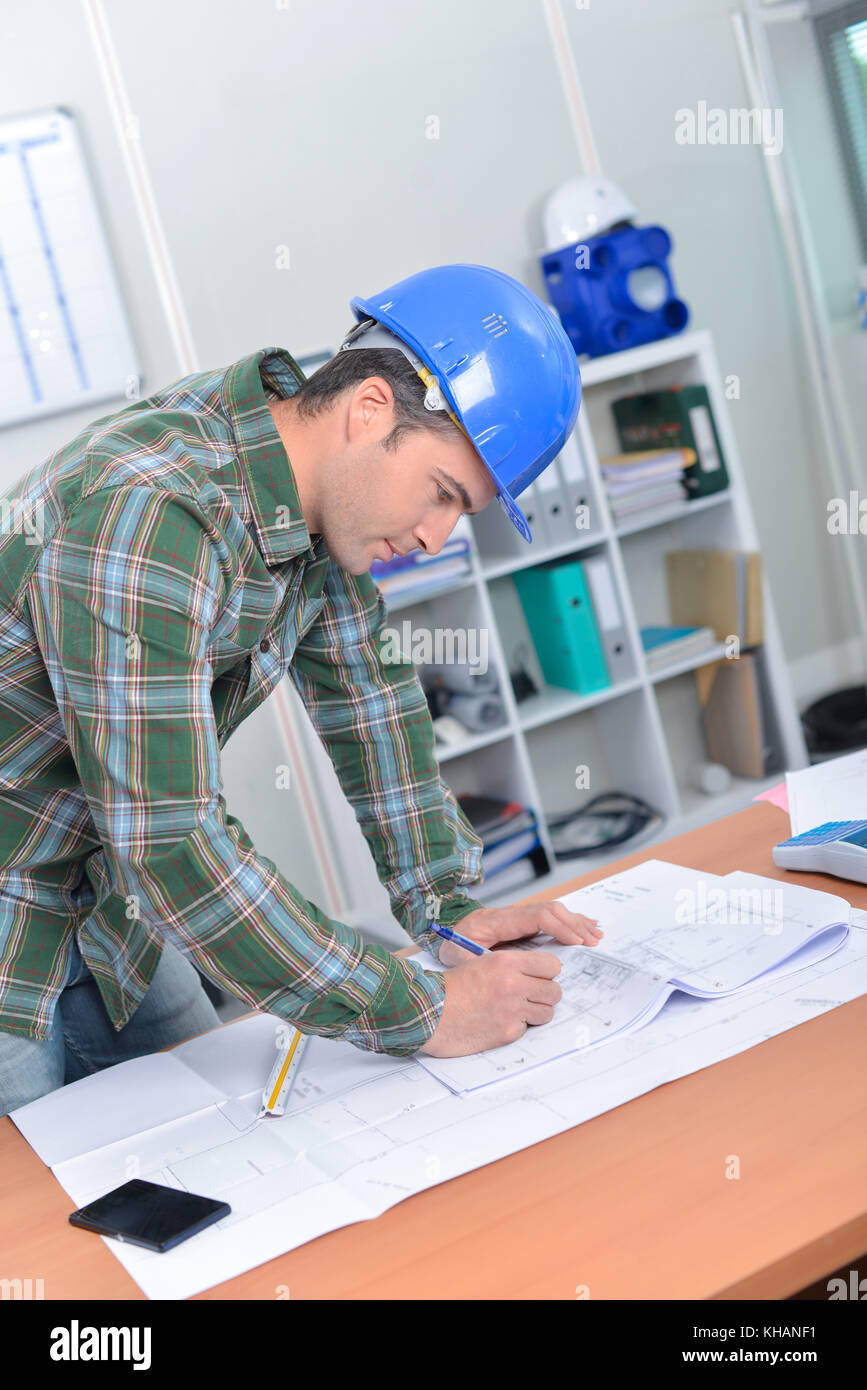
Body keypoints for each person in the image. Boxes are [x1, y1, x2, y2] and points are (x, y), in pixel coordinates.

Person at [0, 262, 602, 1116]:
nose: (434, 538)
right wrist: (419, 1009)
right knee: (31, 1225)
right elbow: (171, 844)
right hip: (36, 889)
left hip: (102, 892)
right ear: (369, 409)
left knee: (213, 1159)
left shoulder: (307, 498)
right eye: (440, 494)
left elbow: (372, 707)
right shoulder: (146, 515)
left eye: (458, 515)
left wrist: (447, 909)